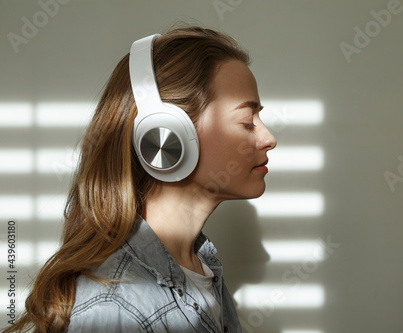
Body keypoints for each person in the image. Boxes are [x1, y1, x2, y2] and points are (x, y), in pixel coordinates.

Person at [5, 25, 276, 332]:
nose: (269, 138)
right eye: (247, 121)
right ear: (166, 134)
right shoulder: (115, 309)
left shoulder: (201, 266)